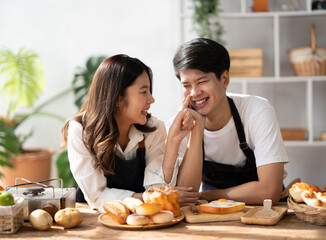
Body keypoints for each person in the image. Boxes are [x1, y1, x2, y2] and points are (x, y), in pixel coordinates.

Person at [61, 54, 202, 211]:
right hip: (95, 215)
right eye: (144, 92)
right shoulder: (80, 130)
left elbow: (158, 188)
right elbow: (97, 196)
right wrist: (153, 197)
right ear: (117, 97)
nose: (151, 99)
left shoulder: (153, 128)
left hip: (141, 214)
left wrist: (174, 142)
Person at [166, 38, 289, 205]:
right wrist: (197, 130)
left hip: (266, 213)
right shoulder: (178, 126)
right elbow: (187, 197)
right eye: (186, 85)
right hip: (213, 216)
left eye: (201, 82)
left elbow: (270, 191)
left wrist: (209, 196)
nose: (194, 93)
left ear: (224, 79)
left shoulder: (257, 110)